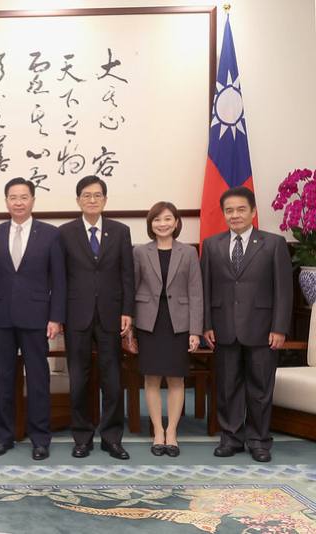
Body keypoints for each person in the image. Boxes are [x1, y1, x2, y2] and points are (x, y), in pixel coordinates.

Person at [202, 186, 292, 463]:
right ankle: (230, 438)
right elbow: (206, 288)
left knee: (260, 389)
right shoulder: (212, 244)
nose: (235, 215)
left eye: (241, 209)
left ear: (253, 211)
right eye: (229, 210)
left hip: (263, 329)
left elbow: (284, 290)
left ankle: (259, 441)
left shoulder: (273, 244)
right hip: (224, 327)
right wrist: (207, 324)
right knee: (227, 387)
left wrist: (279, 327)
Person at [0, 177, 66, 460]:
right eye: (13, 197)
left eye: (23, 197)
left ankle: (40, 438)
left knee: (39, 379)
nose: (18, 202)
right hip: (2, 317)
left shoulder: (51, 234)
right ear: (6, 201)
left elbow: (59, 280)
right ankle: (3, 436)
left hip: (37, 318)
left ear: (33, 200)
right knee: (4, 379)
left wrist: (55, 317)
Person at [59, 175, 134, 460]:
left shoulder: (120, 231)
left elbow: (128, 274)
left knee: (113, 379)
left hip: (111, 315)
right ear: (78, 200)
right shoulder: (64, 233)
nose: (92, 199)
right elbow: (60, 277)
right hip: (76, 315)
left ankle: (112, 437)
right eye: (87, 195)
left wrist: (127, 311)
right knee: (78, 379)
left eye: (97, 195)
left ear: (105, 199)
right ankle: (82, 437)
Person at [132, 201, 203, 457]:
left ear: (176, 222)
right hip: (149, 321)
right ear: (151, 224)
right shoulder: (140, 252)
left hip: (179, 322)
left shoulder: (189, 253)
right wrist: (130, 327)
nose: (162, 224)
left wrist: (195, 330)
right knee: (150, 378)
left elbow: (196, 293)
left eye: (167, 219)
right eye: (157, 220)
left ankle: (171, 431)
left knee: (176, 378)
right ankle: (157, 431)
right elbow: (132, 288)